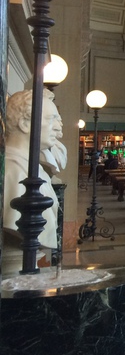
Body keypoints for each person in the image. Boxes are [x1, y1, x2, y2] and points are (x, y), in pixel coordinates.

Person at [3, 89, 64, 251]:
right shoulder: (13, 171)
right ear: (25, 124)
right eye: (52, 120)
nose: (59, 128)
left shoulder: (31, 167)